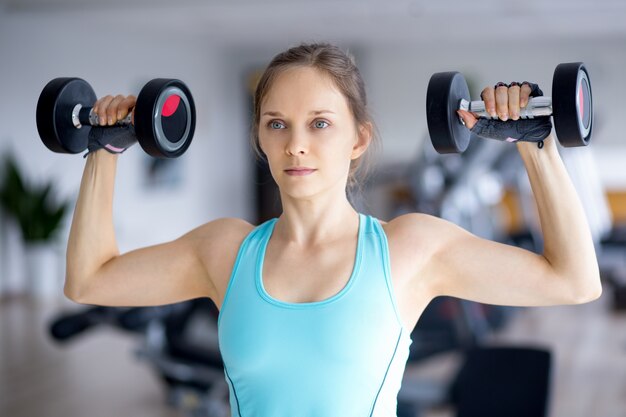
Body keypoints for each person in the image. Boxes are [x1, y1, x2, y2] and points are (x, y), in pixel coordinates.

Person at [64, 43, 602, 416]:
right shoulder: (224, 251)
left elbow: (573, 281)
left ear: (358, 140)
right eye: (277, 124)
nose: (296, 143)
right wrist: (103, 150)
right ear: (260, 139)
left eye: (320, 123)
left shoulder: (409, 249)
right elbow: (90, 280)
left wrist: (535, 143)